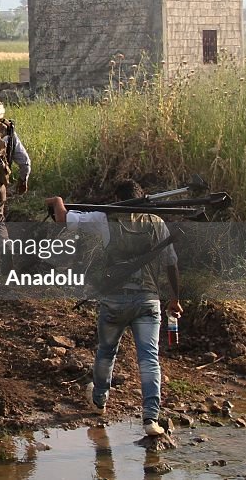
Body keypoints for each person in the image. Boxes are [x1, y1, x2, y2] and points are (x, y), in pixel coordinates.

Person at [45, 179, 182, 438]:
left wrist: (55, 201)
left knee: (107, 352)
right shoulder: (157, 223)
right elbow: (171, 264)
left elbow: (61, 218)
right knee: (149, 358)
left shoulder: (103, 219)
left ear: (117, 199)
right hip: (148, 301)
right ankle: (151, 418)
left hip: (114, 300)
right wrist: (175, 299)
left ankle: (99, 401)